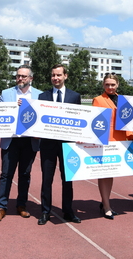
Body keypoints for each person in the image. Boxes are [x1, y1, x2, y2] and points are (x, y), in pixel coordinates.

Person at [0, 66, 42, 222]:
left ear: (31, 78)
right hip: (11, 140)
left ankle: (21, 205)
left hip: (30, 141)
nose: (20, 79)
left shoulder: (40, 95)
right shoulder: (6, 94)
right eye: (18, 76)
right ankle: (0, 207)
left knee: (25, 175)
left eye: (23, 76)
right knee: (6, 174)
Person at [37, 64, 82, 225]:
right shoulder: (43, 97)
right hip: (48, 144)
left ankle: (68, 211)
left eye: (58, 75)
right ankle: (45, 211)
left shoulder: (74, 96)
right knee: (46, 179)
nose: (55, 78)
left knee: (67, 179)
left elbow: (79, 120)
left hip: (67, 145)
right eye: (53, 75)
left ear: (65, 76)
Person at [92, 73, 133, 219]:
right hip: (106, 142)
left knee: (110, 174)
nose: (110, 87)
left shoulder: (124, 100)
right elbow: (95, 123)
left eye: (112, 84)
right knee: (104, 174)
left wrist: (130, 136)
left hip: (121, 142)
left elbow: (128, 120)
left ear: (117, 85)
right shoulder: (98, 100)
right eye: (107, 85)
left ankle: (105, 202)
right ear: (103, 85)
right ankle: (106, 206)